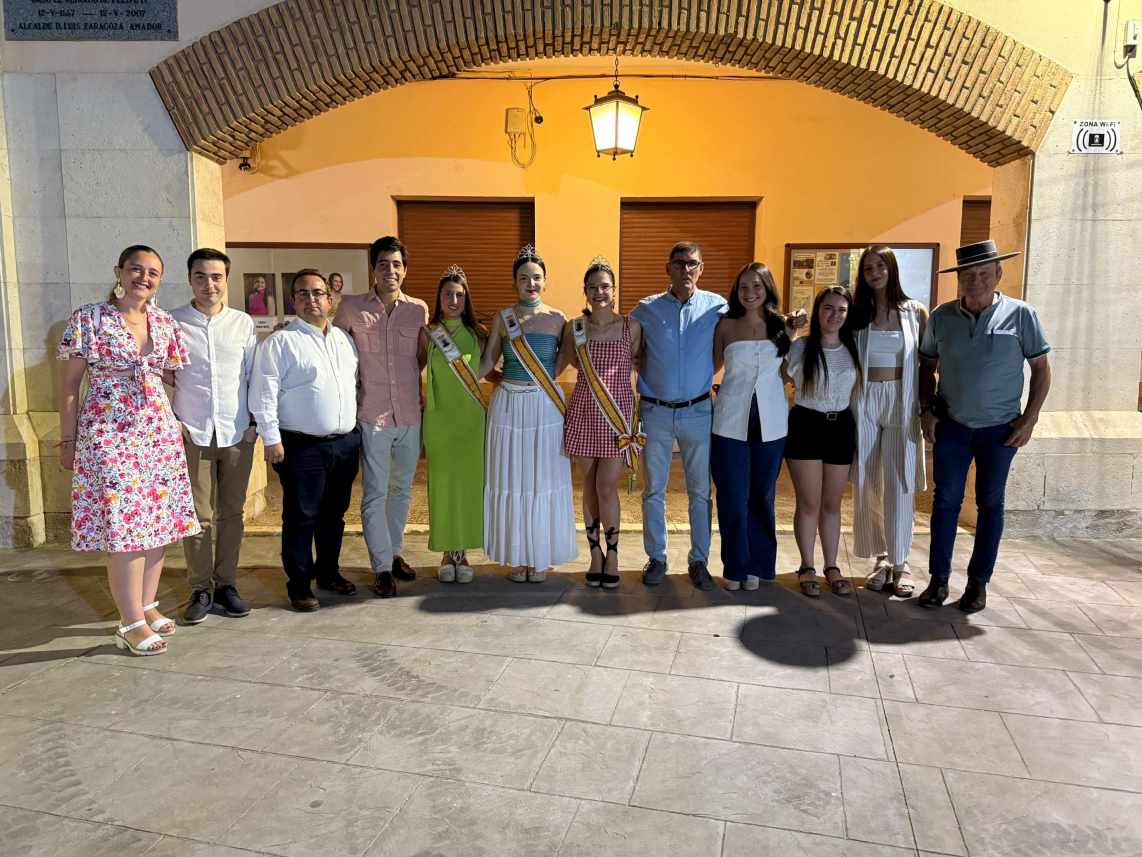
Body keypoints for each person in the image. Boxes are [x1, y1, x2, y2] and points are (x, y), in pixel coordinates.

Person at [57, 245, 200, 656]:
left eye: (153, 272)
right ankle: (130, 621)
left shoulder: (164, 322)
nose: (144, 277)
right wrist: (69, 440)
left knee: (158, 521)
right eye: (136, 269)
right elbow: (69, 386)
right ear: (118, 271)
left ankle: (147, 604)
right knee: (125, 528)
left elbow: (174, 377)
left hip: (157, 433)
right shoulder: (90, 318)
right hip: (109, 434)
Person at [917, 240, 1051, 613]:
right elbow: (926, 366)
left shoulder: (1022, 315)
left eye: (983, 273)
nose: (976, 280)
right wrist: (927, 409)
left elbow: (1041, 370)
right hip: (953, 426)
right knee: (945, 501)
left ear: (998, 274)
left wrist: (1030, 418)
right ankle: (938, 580)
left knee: (990, 503)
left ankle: (978, 583)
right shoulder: (942, 317)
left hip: (1001, 430)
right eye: (968, 274)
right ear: (959, 278)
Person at [250, 270, 360, 611]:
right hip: (301, 446)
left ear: (329, 298)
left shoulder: (344, 339)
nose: (311, 299)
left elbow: (352, 384)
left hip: (344, 444)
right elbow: (263, 393)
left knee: (334, 515)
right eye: (303, 293)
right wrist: (271, 438)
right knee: (302, 516)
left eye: (317, 292)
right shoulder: (280, 342)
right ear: (293, 300)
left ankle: (328, 572)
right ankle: (299, 584)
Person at [334, 237, 429, 598]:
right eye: (383, 264)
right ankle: (382, 567)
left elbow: (421, 356)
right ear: (372, 269)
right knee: (375, 491)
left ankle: (394, 551)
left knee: (402, 489)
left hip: (409, 413)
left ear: (406, 269)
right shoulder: (351, 307)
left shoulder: (418, 309)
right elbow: (337, 354)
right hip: (372, 414)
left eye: (397, 264)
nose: (390, 270)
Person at [630, 241, 727, 590]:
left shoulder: (717, 307)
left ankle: (699, 560)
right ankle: (657, 557)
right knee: (653, 490)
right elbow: (633, 352)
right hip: (655, 411)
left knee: (700, 491)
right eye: (679, 263)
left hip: (698, 411)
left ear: (701, 269)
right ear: (668, 268)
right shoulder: (645, 310)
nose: (686, 269)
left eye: (692, 264)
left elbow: (721, 351)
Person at [171, 248, 258, 624]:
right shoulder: (172, 322)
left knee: (232, 513)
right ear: (190, 279)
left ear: (227, 280)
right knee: (198, 516)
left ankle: (226, 585)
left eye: (217, 277)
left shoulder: (242, 323)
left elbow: (253, 376)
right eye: (201, 276)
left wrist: (255, 424)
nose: (209, 284)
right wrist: (173, 421)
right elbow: (157, 374)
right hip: (193, 433)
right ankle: (200, 588)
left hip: (237, 432)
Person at [479, 245, 577, 582]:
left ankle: (541, 556)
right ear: (514, 282)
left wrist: (538, 386)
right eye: (524, 278)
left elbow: (561, 362)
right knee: (513, 478)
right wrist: (459, 375)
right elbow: (488, 361)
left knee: (542, 479)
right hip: (508, 406)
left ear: (545, 281)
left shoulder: (559, 319)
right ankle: (518, 557)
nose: (531, 283)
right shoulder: (503, 317)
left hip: (544, 405)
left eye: (536, 277)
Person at [711, 263, 802, 591]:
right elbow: (710, 365)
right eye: (743, 287)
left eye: (757, 286)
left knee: (762, 494)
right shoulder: (725, 325)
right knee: (732, 494)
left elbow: (790, 370)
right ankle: (735, 567)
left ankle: (759, 566)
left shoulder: (783, 326)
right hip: (729, 420)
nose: (749, 293)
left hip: (772, 420)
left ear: (768, 289)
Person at [848, 246, 928, 598]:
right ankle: (881, 558)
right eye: (868, 268)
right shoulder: (856, 314)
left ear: (892, 269)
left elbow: (928, 364)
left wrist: (928, 407)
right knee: (867, 481)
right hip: (864, 400)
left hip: (902, 399)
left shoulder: (915, 312)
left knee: (899, 481)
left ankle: (901, 561)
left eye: (880, 266)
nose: (875, 272)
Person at [558, 256, 643, 589]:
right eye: (592, 287)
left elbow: (643, 366)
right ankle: (594, 553)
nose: (599, 292)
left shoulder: (631, 327)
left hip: (616, 416)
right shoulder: (575, 328)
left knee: (607, 486)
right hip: (583, 413)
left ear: (614, 289)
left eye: (605, 286)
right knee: (589, 485)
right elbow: (558, 365)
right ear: (585, 291)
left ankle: (613, 553)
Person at [785, 287, 860, 598]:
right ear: (818, 311)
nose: (835, 315)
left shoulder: (854, 347)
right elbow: (780, 375)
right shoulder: (801, 347)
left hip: (841, 426)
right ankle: (807, 566)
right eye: (829, 308)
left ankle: (832, 566)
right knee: (809, 503)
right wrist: (789, 331)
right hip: (806, 424)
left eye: (842, 309)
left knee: (832, 504)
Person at [420, 265, 488, 583]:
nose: (453, 300)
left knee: (468, 485)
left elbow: (492, 368)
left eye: (459, 295)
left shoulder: (479, 334)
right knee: (443, 485)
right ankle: (447, 552)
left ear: (466, 299)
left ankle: (463, 552)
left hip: (470, 421)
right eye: (448, 294)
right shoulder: (428, 333)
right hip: (439, 420)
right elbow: (412, 368)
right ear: (439, 298)